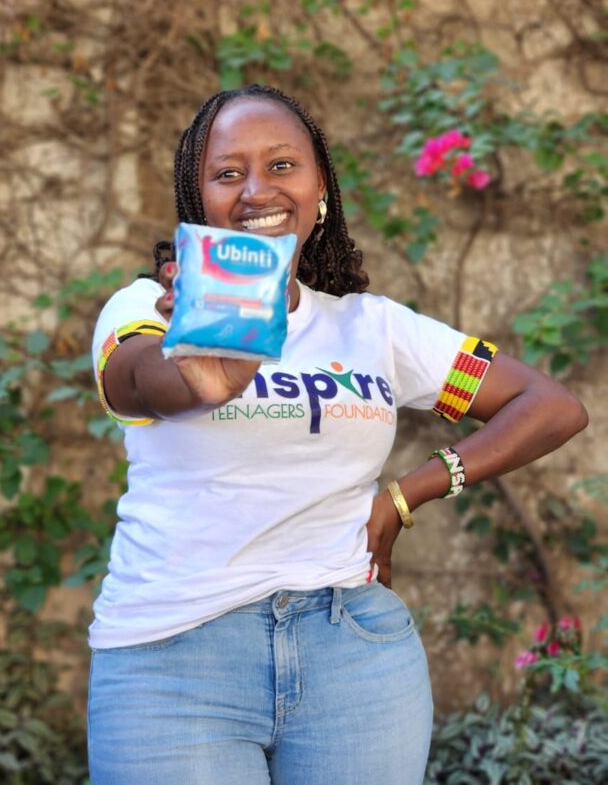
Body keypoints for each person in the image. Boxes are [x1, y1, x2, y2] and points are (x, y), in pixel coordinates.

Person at [87, 84, 588, 784]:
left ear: (319, 184)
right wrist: (203, 370)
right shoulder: (146, 309)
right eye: (227, 172)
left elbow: (550, 406)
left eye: (281, 165)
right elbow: (140, 382)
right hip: (174, 662)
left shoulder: (371, 328)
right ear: (198, 197)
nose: (257, 189)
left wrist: (408, 494)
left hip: (353, 655)